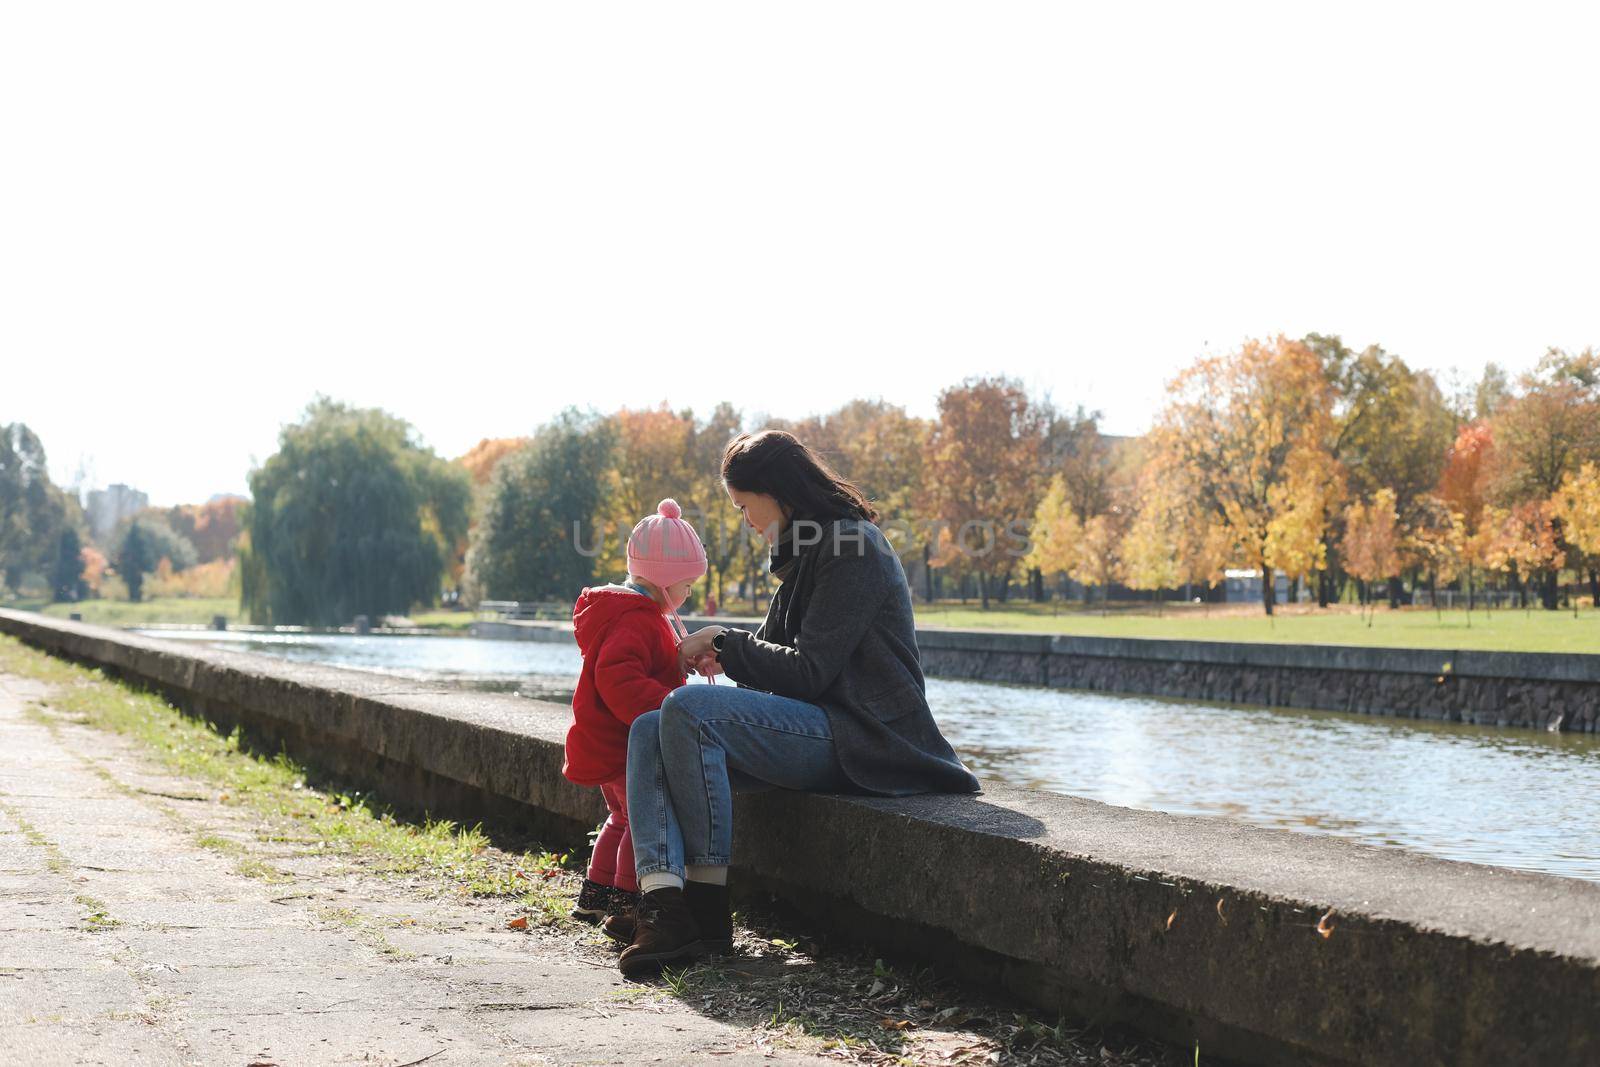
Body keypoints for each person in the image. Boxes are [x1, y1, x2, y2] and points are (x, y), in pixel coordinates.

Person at [618, 431, 981, 977]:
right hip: (822, 727)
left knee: (688, 711)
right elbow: (771, 658)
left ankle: (709, 907)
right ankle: (666, 904)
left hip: (867, 735)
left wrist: (723, 643)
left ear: (776, 491)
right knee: (651, 725)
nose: (744, 519)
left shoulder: (854, 547)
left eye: (744, 505)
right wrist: (723, 653)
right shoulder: (810, 550)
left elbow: (810, 672)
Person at [564, 499, 707, 944]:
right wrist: (670, 704)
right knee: (641, 820)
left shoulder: (633, 615)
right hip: (625, 741)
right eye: (685, 586)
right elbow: (620, 678)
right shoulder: (637, 621)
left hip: (607, 739)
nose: (688, 596)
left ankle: (597, 891)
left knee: (621, 818)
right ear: (665, 583)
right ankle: (626, 903)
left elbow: (641, 665)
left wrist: (679, 662)